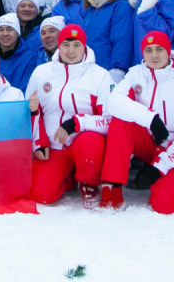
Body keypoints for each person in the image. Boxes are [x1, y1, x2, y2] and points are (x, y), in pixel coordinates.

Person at [101, 31, 174, 211]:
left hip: (171, 148)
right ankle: (113, 189)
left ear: (168, 51)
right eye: (148, 50)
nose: (154, 55)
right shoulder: (135, 74)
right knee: (120, 122)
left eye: (159, 49)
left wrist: (160, 167)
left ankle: (162, 177)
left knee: (164, 205)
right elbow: (114, 101)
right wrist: (151, 119)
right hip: (145, 141)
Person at [25, 24, 113, 207]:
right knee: (41, 194)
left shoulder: (100, 76)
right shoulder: (41, 73)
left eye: (76, 45)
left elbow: (110, 121)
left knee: (90, 144)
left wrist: (78, 122)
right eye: (66, 45)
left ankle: (89, 182)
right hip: (54, 146)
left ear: (84, 47)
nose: (71, 51)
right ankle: (70, 178)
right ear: (59, 46)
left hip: (85, 143)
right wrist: (39, 143)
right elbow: (30, 112)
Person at [80, 0, 137, 82]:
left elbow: (122, 41)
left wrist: (117, 70)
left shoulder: (120, 6)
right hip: (90, 70)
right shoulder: (91, 9)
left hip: (108, 71)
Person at [0, 13, 40, 92]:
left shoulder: (29, 58)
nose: (5, 34)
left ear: (17, 33)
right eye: (0, 29)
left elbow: (26, 88)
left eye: (9, 29)